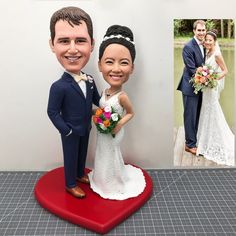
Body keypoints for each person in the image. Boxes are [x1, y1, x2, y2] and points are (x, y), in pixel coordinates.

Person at [47, 6, 100, 198]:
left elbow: (98, 102)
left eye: (80, 40)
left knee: (82, 154)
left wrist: (110, 102)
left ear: (91, 44)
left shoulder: (90, 80)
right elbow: (52, 112)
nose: (72, 49)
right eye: (63, 41)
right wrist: (66, 129)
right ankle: (70, 183)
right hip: (70, 131)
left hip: (86, 128)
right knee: (70, 157)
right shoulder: (58, 86)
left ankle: (79, 174)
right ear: (52, 44)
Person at [88, 25, 146, 200]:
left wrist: (118, 124)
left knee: (110, 153)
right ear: (99, 65)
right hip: (103, 131)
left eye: (124, 62)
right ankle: (102, 179)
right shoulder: (105, 92)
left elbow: (130, 113)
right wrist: (94, 114)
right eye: (109, 61)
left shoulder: (122, 96)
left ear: (132, 68)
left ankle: (113, 182)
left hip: (114, 132)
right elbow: (102, 109)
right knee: (102, 153)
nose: (116, 69)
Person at [196, 30, 235, 166]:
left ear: (214, 41)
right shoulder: (207, 53)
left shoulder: (217, 54)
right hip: (206, 88)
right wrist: (204, 77)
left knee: (213, 111)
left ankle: (215, 140)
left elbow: (225, 71)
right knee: (206, 111)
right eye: (206, 39)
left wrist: (211, 78)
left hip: (211, 88)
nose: (207, 42)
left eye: (210, 40)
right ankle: (204, 140)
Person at [177, 20, 206, 155]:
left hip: (201, 86)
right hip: (190, 86)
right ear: (194, 31)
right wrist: (206, 76)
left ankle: (195, 139)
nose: (201, 33)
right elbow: (191, 68)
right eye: (199, 30)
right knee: (190, 115)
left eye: (203, 30)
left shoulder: (205, 45)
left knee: (198, 114)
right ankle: (189, 145)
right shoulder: (188, 46)